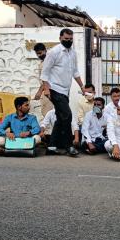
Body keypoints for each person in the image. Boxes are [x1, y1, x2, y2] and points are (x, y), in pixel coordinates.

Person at [40, 28, 84, 156]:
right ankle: (68, 146)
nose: (68, 41)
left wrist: (82, 86)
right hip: (54, 89)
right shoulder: (54, 52)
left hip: (65, 90)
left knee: (60, 119)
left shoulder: (73, 53)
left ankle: (52, 147)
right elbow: (45, 73)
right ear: (60, 38)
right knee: (67, 116)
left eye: (70, 39)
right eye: (66, 39)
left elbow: (75, 72)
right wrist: (47, 89)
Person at [32, 43, 53, 117]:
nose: (39, 55)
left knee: (48, 115)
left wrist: (39, 92)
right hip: (46, 91)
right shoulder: (43, 62)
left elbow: (46, 79)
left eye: (40, 53)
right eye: (37, 54)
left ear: (45, 50)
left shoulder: (48, 62)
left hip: (49, 91)